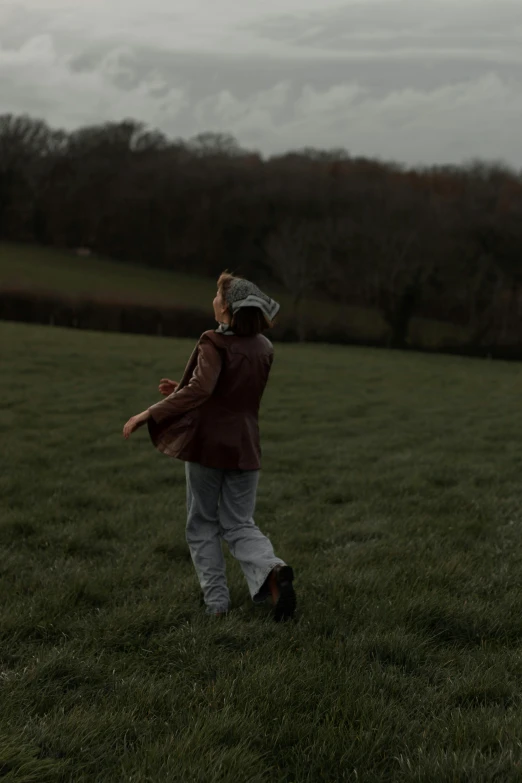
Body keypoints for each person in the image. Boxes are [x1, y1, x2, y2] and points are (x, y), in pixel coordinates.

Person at [123, 273, 296, 621]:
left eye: (218, 297)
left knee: (201, 523)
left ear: (227, 310)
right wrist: (180, 388)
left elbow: (203, 391)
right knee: (239, 523)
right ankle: (273, 569)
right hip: (247, 446)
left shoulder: (214, 342)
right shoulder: (264, 347)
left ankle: (216, 605)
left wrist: (149, 413)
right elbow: (230, 388)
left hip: (208, 446)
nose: (213, 301)